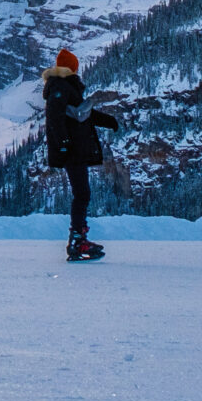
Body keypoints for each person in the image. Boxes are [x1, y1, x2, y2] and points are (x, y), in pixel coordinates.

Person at [42, 50, 119, 261]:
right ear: (71, 67)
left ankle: (78, 239)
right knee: (82, 194)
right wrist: (64, 145)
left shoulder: (66, 87)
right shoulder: (60, 87)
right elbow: (55, 119)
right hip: (72, 151)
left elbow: (82, 114)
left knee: (82, 193)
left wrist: (108, 121)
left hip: (74, 150)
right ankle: (77, 241)